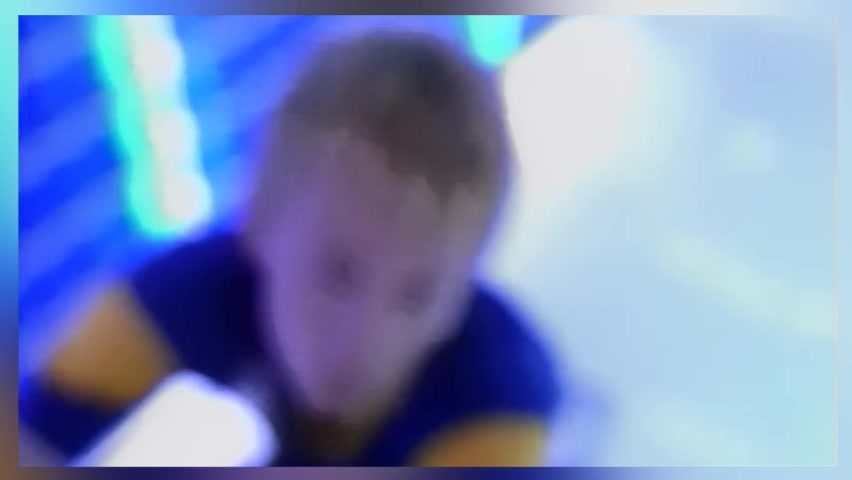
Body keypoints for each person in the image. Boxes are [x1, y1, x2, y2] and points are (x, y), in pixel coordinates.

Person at [19, 26, 561, 466]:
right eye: (337, 273)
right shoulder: (185, 295)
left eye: (417, 296)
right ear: (258, 224)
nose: (366, 336)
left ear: (460, 301)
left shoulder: (497, 400)